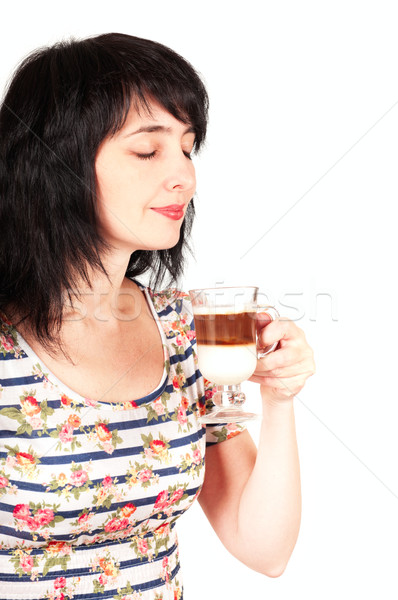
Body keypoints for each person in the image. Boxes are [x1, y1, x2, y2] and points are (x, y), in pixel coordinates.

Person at [0, 33, 315, 600]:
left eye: (188, 148)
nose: (185, 178)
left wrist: (280, 398)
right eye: (148, 151)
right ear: (56, 161)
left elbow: (264, 549)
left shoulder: (181, 330)